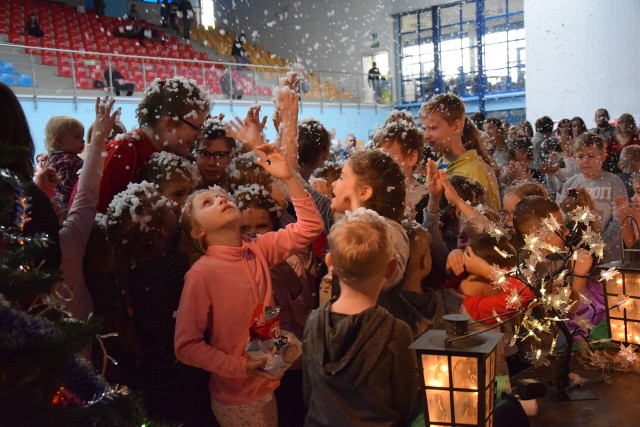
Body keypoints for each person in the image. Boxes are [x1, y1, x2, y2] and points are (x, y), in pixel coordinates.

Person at [175, 135, 323, 425]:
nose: (220, 199)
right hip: (236, 394)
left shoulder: (257, 248)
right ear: (197, 232)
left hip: (269, 382)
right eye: (208, 202)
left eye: (222, 197)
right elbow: (186, 346)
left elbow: (310, 227)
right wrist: (241, 367)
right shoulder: (202, 273)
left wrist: (288, 178)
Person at [302, 209, 419, 426]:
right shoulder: (396, 332)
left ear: (330, 263)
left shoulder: (313, 321)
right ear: (391, 269)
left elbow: (309, 392)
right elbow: (407, 403)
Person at [74, 76, 210, 213]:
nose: (200, 135)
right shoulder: (123, 151)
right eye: (196, 127)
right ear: (169, 124)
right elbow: (86, 217)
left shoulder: (176, 150)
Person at [419, 93, 501, 211]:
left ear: (456, 126)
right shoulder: (435, 168)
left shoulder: (476, 170)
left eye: (433, 128)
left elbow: (490, 222)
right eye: (424, 129)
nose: (426, 135)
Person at [558, 132, 627, 262]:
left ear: (602, 156)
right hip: (578, 252)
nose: (585, 160)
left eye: (591, 156)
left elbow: (619, 219)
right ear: (574, 158)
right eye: (580, 156)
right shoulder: (570, 184)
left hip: (608, 255)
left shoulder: (613, 182)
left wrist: (600, 244)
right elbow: (564, 216)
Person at [374, 121, 428, 223]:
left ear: (412, 157)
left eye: (386, 158)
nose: (379, 164)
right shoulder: (374, 194)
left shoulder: (425, 201)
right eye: (376, 158)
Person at [43, 116, 85, 219]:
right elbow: (66, 184)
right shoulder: (65, 159)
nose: (82, 141)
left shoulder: (57, 157)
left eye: (82, 137)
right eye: (77, 137)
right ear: (59, 140)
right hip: (66, 204)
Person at [194, 118, 236, 189]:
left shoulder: (243, 196)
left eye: (221, 155)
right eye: (204, 154)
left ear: (232, 157)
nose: (211, 163)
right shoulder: (181, 195)